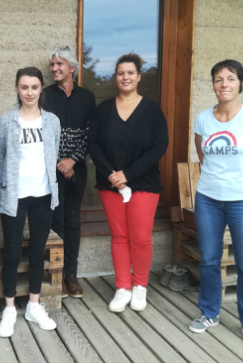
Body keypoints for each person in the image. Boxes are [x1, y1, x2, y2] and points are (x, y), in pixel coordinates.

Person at [188, 60, 243, 350]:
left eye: (231, 78)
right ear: (212, 85)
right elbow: (204, 158)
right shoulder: (202, 119)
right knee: (209, 259)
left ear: (241, 84)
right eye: (218, 79)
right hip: (209, 200)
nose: (224, 84)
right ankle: (209, 313)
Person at [88, 53, 169, 313]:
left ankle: (140, 287)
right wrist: (113, 174)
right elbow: (94, 144)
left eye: (130, 73)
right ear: (116, 77)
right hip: (110, 185)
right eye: (121, 73)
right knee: (119, 237)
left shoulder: (152, 109)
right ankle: (122, 288)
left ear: (139, 77)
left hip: (143, 184)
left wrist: (129, 174)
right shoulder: (103, 109)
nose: (125, 77)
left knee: (141, 238)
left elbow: (159, 145)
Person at [0, 67, 61, 337]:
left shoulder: (52, 121)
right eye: (24, 87)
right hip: (15, 197)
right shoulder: (6, 122)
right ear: (17, 89)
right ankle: (9, 308)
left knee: (37, 251)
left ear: (41, 88)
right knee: (11, 253)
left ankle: (34, 305)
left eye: (34, 87)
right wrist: (5, 185)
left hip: (43, 196)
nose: (30, 92)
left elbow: (53, 154)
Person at [46, 46, 96, 298]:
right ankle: (56, 274)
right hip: (52, 171)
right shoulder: (44, 95)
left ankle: (71, 276)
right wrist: (58, 162)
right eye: (52, 64)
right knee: (56, 222)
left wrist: (72, 160)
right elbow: (41, 133)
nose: (54, 68)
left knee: (73, 222)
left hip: (76, 170)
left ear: (72, 68)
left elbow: (90, 134)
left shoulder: (87, 97)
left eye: (59, 64)